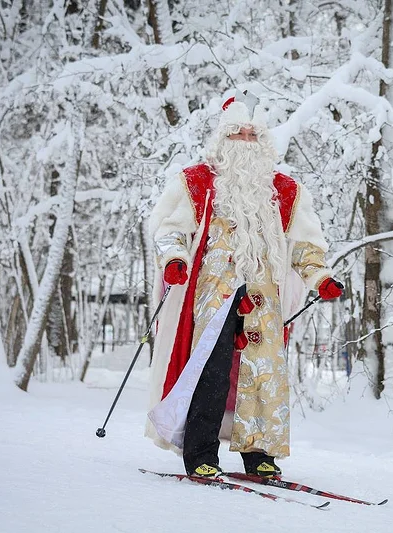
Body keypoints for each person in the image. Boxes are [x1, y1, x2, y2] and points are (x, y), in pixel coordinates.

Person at [144, 90, 343, 479]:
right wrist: (174, 260)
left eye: (254, 135)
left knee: (262, 373)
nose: (246, 142)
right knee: (211, 372)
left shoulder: (285, 192)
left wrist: (319, 277)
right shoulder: (196, 183)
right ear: (223, 138)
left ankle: (260, 453)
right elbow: (169, 231)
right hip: (212, 296)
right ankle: (201, 453)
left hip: (263, 298)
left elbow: (305, 246)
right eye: (238, 134)